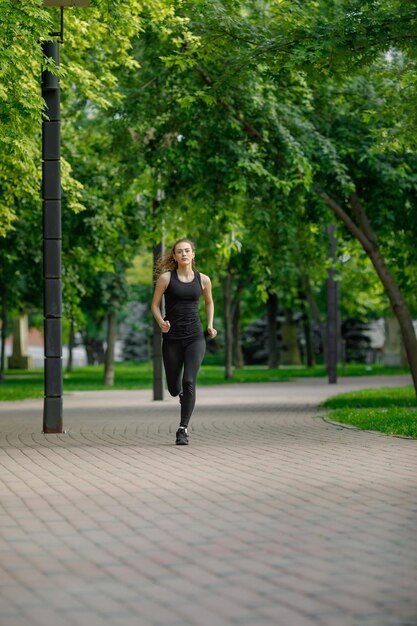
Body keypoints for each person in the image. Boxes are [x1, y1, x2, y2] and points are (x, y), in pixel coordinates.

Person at [151, 238, 217, 445]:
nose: (184, 254)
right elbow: (154, 305)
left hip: (194, 337)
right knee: (173, 388)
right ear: (174, 256)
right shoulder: (166, 278)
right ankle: (180, 394)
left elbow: (209, 302)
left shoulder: (203, 280)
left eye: (187, 251)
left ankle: (183, 429)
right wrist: (161, 322)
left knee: (189, 381)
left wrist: (210, 325)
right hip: (171, 338)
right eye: (179, 251)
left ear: (193, 254)